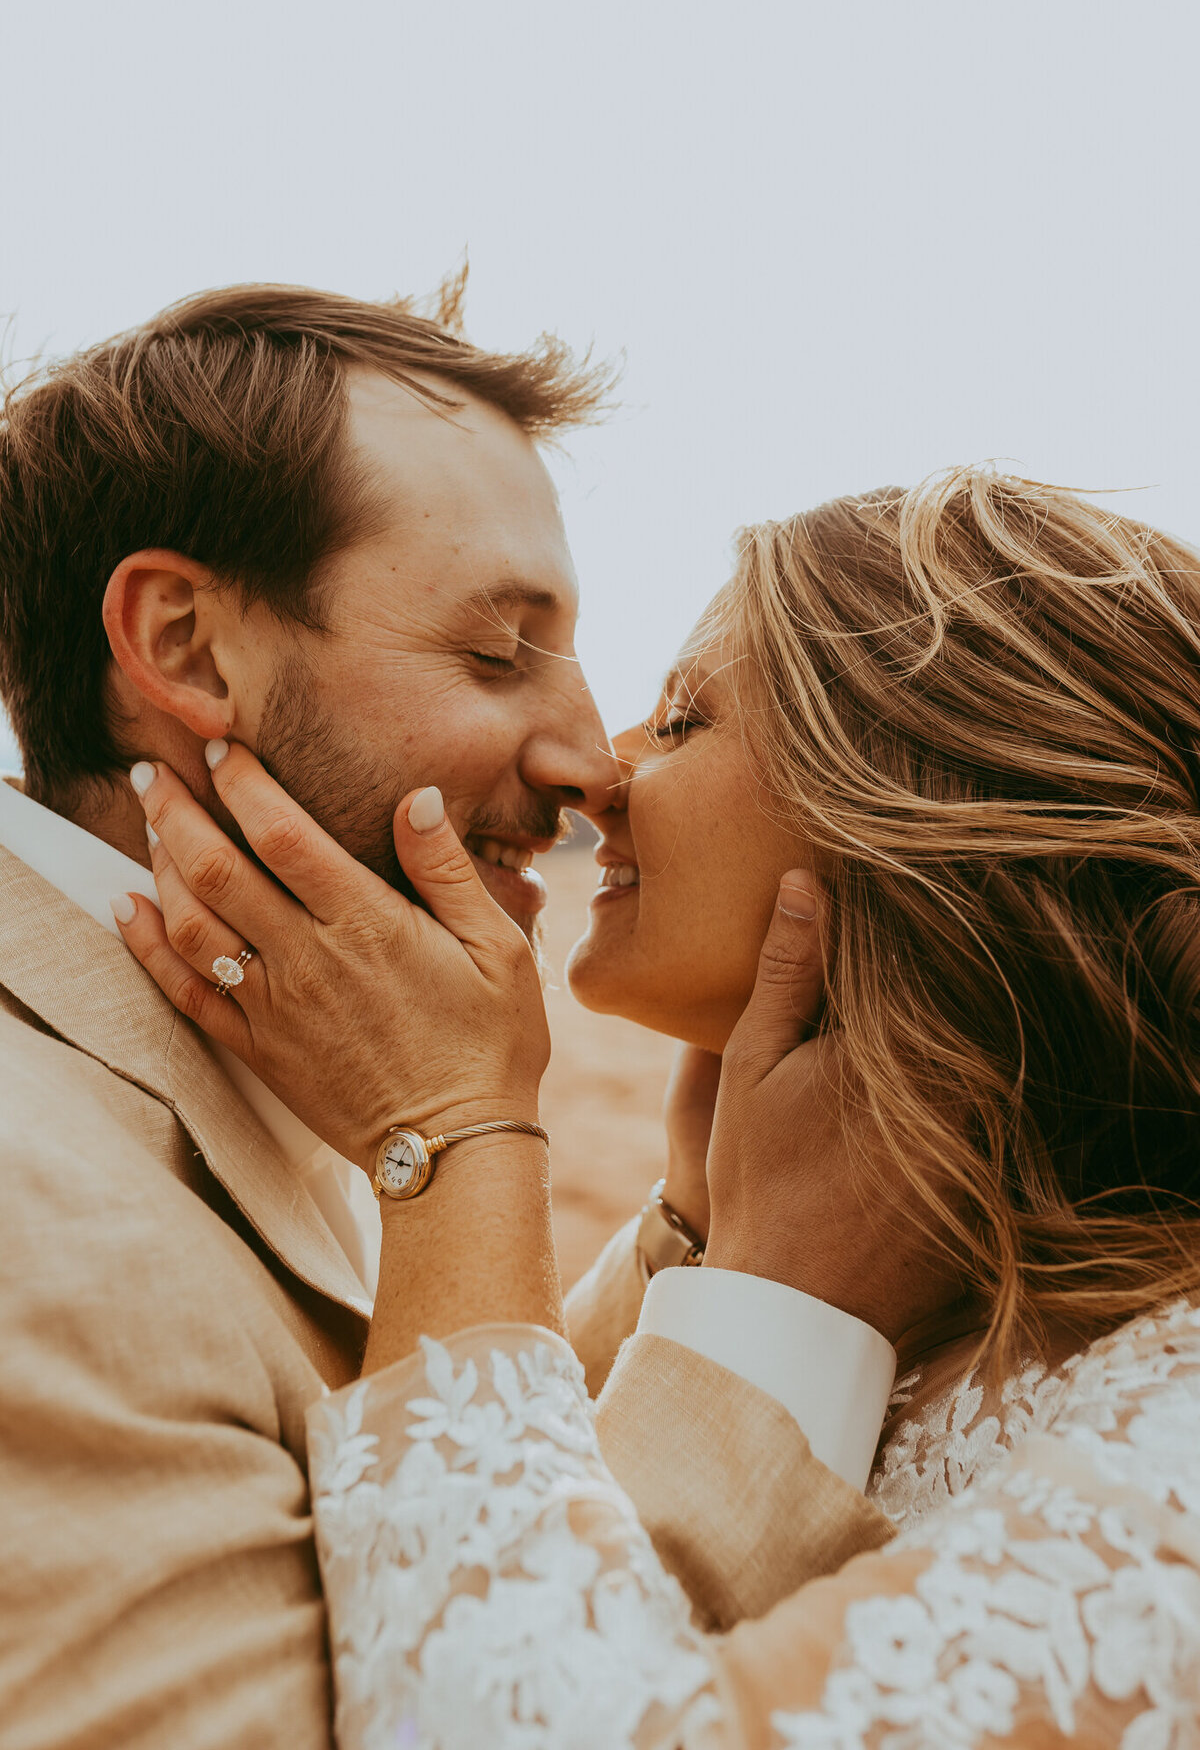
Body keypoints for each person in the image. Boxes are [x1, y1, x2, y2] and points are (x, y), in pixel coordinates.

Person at [118, 469, 1200, 1746]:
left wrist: (451, 1129)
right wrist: (696, 1239)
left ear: (912, 810)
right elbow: (504, 1538)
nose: (598, 774)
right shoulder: (871, 1244)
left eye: (684, 719)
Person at [0, 279, 668, 1746]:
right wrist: (465, 1134)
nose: (586, 758)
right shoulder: (35, 1213)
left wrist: (719, 1232)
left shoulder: (268, 1038)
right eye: (497, 653)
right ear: (182, 646)